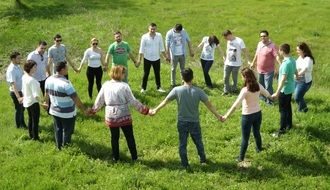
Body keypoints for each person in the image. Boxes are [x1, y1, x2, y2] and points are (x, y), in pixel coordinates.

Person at [149, 68, 222, 168]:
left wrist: (155, 110)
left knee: (182, 144)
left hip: (182, 122)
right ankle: (203, 160)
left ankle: (185, 164)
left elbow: (165, 101)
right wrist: (218, 116)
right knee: (198, 142)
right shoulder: (198, 91)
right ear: (192, 77)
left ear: (182, 78)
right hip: (194, 122)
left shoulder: (176, 90)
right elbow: (209, 105)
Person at [92, 66, 149, 162]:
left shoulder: (106, 85)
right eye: (123, 73)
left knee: (114, 137)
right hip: (123, 114)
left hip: (111, 115)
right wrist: (144, 110)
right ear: (119, 74)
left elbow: (100, 100)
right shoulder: (124, 86)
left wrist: (94, 110)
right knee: (129, 136)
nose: (124, 75)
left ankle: (116, 158)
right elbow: (132, 101)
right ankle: (134, 158)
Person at [222, 68, 272, 162]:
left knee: (245, 138)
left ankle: (241, 157)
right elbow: (267, 94)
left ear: (245, 77)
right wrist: (273, 97)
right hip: (258, 114)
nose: (241, 78)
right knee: (256, 132)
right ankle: (259, 148)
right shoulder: (258, 85)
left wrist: (226, 116)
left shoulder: (245, 90)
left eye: (242, 76)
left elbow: (235, 105)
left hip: (247, 116)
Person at [44, 61, 91, 150]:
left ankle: (59, 147)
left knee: (58, 129)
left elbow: (46, 94)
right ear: (62, 70)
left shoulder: (48, 79)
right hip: (67, 113)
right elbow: (76, 99)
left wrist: (46, 103)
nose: (67, 69)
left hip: (54, 110)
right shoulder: (66, 84)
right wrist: (84, 110)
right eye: (66, 68)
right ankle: (66, 148)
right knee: (68, 131)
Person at [272, 44, 296, 136]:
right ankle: (289, 125)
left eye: (279, 50)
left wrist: (277, 92)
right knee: (288, 107)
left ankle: (281, 130)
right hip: (290, 88)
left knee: (282, 110)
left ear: (282, 51)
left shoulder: (286, 63)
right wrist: (297, 75)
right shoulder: (292, 60)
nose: (278, 52)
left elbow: (283, 79)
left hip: (284, 90)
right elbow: (294, 69)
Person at [251, 30, 279, 104]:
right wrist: (253, 63)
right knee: (261, 85)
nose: (263, 37)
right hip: (259, 69)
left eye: (264, 36)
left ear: (268, 36)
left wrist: (280, 64)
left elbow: (276, 56)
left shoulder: (272, 46)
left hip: (269, 71)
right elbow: (256, 54)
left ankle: (270, 101)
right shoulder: (259, 44)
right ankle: (262, 98)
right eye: (261, 36)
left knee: (268, 86)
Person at [138, 23, 167, 93]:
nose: (153, 30)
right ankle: (143, 88)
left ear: (156, 29)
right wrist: (139, 60)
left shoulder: (159, 36)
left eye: (154, 29)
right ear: (149, 28)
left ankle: (159, 87)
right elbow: (141, 49)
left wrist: (165, 57)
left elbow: (162, 47)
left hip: (157, 58)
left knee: (157, 73)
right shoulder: (144, 37)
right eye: (151, 29)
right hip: (147, 58)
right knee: (146, 73)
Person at [222, 30, 251, 95]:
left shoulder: (239, 41)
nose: (226, 39)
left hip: (236, 64)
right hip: (227, 63)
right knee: (225, 77)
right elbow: (227, 50)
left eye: (226, 37)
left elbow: (245, 51)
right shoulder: (228, 41)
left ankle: (234, 89)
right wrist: (225, 58)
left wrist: (247, 61)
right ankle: (226, 90)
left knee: (234, 77)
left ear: (230, 35)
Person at [165, 24, 194, 88]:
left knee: (183, 69)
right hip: (174, 54)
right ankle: (173, 83)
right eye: (177, 31)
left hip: (182, 54)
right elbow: (167, 44)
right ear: (174, 29)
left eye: (179, 31)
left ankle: (184, 82)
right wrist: (167, 55)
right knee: (173, 69)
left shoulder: (183, 31)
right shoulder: (169, 33)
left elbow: (188, 41)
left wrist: (191, 50)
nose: (179, 32)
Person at [22, 60, 42, 140]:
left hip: (27, 101)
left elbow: (24, 89)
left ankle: (31, 135)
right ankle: (35, 137)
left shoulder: (24, 76)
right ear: (29, 68)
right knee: (35, 121)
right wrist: (41, 103)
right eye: (34, 67)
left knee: (31, 119)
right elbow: (36, 95)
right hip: (34, 102)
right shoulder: (32, 80)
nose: (36, 68)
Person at [6, 51, 26, 129]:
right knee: (19, 109)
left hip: (21, 91)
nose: (20, 59)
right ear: (13, 59)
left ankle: (23, 124)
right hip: (16, 92)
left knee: (22, 109)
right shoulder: (11, 70)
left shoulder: (17, 66)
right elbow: (13, 85)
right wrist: (18, 97)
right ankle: (19, 126)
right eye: (18, 58)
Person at [294, 42, 314, 113]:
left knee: (297, 97)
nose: (297, 52)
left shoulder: (308, 59)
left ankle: (304, 109)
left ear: (303, 50)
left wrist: (298, 74)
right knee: (298, 97)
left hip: (305, 81)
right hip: (296, 80)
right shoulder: (299, 58)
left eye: (298, 50)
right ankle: (302, 109)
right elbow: (295, 67)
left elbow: (305, 69)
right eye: (297, 50)